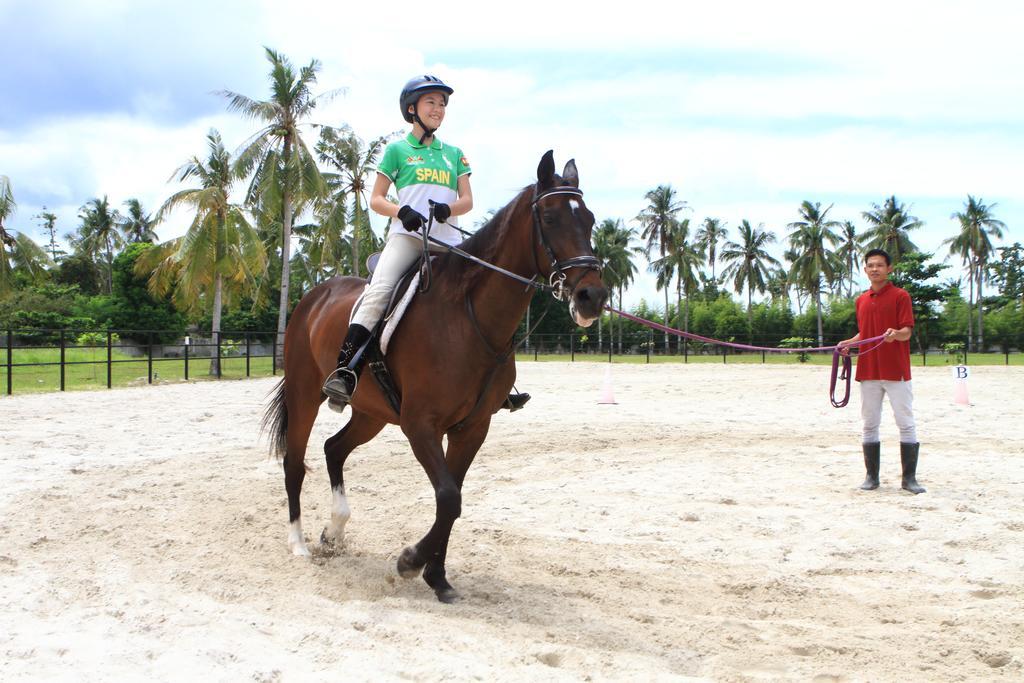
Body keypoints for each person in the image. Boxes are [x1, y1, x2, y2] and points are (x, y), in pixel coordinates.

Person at [322, 74, 530, 412]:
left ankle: (496, 382)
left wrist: (450, 208)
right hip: (408, 240)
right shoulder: (397, 151)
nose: (438, 108)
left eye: (443, 103)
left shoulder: (454, 154)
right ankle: (345, 372)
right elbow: (376, 199)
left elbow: (468, 200)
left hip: (449, 244)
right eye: (431, 102)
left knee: (485, 298)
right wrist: (401, 211)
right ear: (412, 108)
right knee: (378, 293)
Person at [838, 248, 925, 494]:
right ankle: (871, 477)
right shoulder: (861, 300)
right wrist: (849, 343)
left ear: (889, 269)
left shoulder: (901, 296)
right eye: (870, 265)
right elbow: (865, 334)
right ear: (865, 270)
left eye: (880, 265)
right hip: (868, 371)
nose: (875, 269)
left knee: (905, 423)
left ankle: (909, 479)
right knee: (869, 423)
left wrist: (895, 335)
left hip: (896, 371)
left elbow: (907, 331)